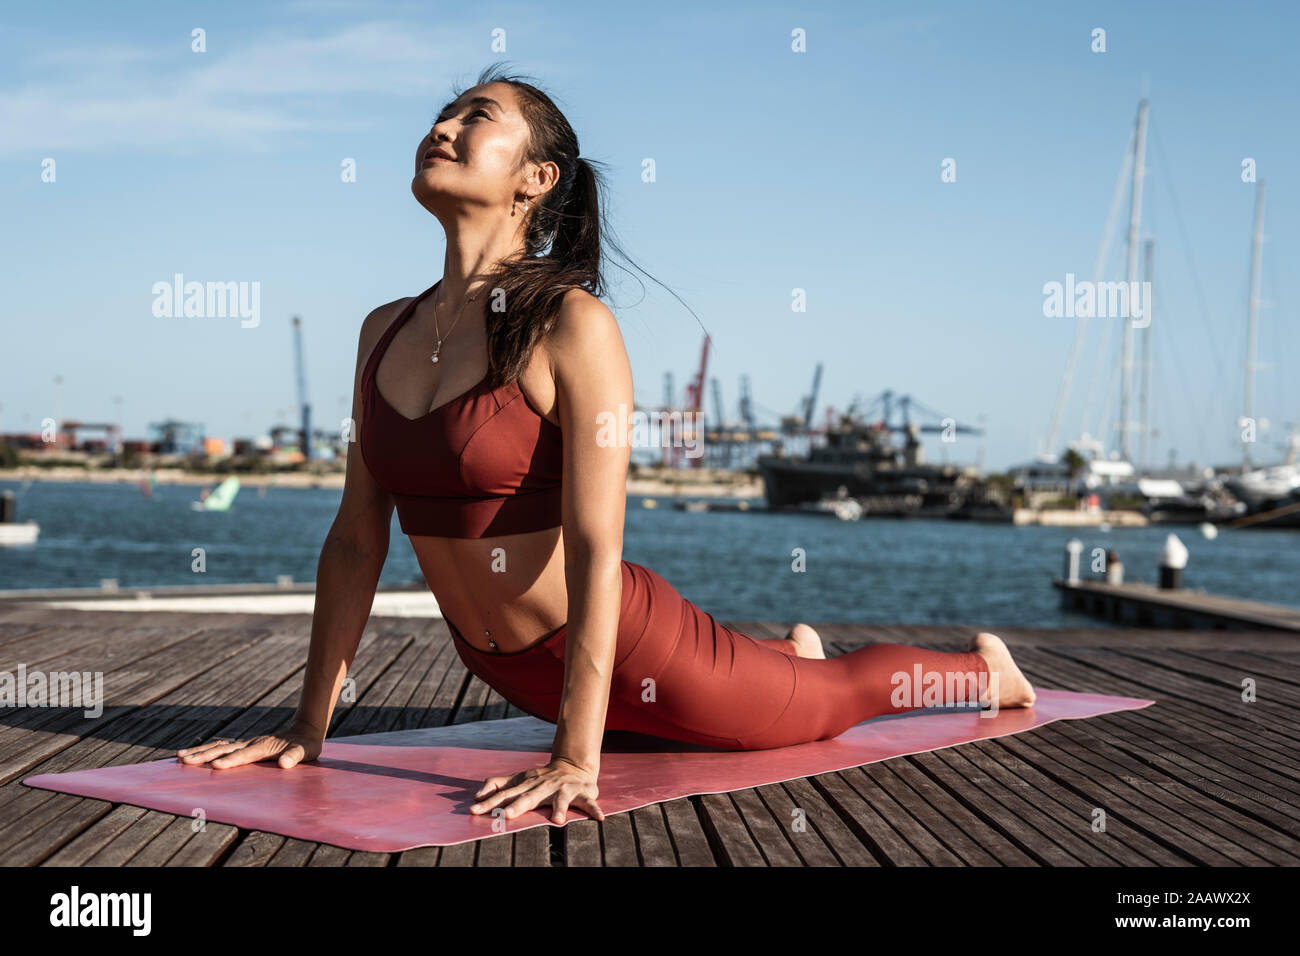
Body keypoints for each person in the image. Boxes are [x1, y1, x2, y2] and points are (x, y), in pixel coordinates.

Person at [177, 66, 1036, 827]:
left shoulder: (571, 325)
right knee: (754, 692)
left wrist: (575, 754)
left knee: (830, 702)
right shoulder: (381, 330)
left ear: (536, 178)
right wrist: (306, 729)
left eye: (476, 117)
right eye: (442, 114)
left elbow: (596, 548)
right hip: (504, 668)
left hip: (628, 646)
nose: (442, 128)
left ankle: (981, 674)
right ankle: (776, 657)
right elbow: (357, 538)